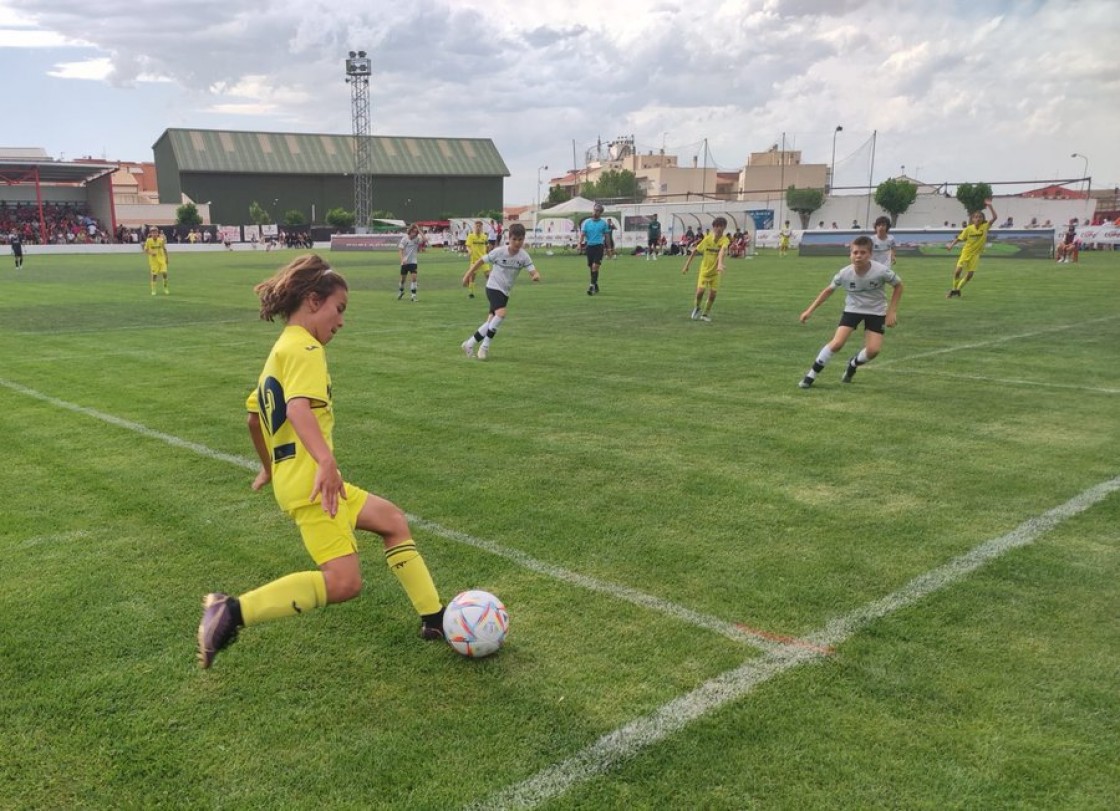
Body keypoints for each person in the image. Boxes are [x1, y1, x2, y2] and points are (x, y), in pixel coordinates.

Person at [197, 254, 447, 669]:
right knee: (345, 582)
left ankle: (434, 618)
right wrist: (327, 463)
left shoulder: (281, 349)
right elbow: (298, 409)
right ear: (313, 301)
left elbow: (252, 419)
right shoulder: (307, 347)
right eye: (339, 309)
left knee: (393, 521)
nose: (341, 321)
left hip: (300, 477)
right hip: (316, 482)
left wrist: (269, 467)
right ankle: (231, 611)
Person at [797, 235, 903, 389]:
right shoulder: (844, 273)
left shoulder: (881, 271)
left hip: (876, 311)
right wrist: (809, 310)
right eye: (855, 252)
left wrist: (892, 311)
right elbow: (828, 291)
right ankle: (810, 375)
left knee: (873, 351)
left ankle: (853, 364)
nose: (858, 256)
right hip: (853, 310)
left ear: (870, 255)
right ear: (850, 254)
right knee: (837, 343)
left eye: (862, 253)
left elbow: (899, 286)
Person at [460, 223, 540, 361]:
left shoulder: (524, 256)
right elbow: (480, 261)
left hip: (505, 291)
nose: (517, 242)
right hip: (492, 286)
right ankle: (484, 348)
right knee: (501, 314)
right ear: (509, 238)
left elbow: (533, 271)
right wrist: (467, 275)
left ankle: (469, 343)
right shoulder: (499, 252)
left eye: (520, 239)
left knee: (491, 321)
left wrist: (535, 275)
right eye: (514, 239)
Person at [681, 216, 730, 322]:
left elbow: (722, 251)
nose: (719, 229)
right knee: (700, 292)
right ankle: (697, 307)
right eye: (716, 226)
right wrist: (686, 265)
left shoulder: (725, 240)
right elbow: (694, 251)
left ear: (724, 228)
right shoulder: (707, 239)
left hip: (715, 273)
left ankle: (705, 314)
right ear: (713, 227)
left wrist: (720, 264)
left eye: (721, 226)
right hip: (704, 271)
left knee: (713, 294)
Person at [945, 199, 996, 298]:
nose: (977, 218)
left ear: (982, 219)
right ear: (972, 219)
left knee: (970, 275)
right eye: (975, 217)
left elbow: (995, 217)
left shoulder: (985, 227)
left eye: (980, 217)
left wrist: (990, 206)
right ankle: (954, 289)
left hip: (976, 255)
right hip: (966, 253)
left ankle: (957, 290)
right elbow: (959, 238)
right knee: (957, 271)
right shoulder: (968, 229)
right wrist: (951, 245)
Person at [579, 203, 610, 295]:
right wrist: (579, 244)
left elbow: (607, 236)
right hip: (590, 247)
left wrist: (609, 248)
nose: (595, 212)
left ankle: (591, 286)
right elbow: (583, 234)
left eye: (597, 211)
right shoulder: (587, 222)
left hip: (599, 246)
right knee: (591, 267)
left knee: (595, 266)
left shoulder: (603, 223)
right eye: (594, 210)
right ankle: (595, 284)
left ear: (600, 213)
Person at [397, 224, 426, 301]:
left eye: (416, 232)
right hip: (405, 263)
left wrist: (419, 229)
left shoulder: (417, 239)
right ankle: (400, 291)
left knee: (414, 278)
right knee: (403, 280)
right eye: (413, 232)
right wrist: (402, 260)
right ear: (410, 232)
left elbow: (425, 239)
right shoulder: (404, 239)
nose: (415, 234)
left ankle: (413, 296)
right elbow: (400, 250)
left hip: (413, 262)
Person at [465, 220, 491, 298]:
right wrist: (469, 251)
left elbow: (487, 245)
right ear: (474, 227)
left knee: (488, 276)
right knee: (472, 277)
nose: (478, 228)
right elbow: (468, 246)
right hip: (474, 260)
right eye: (477, 226)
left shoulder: (484, 236)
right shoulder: (471, 236)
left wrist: (488, 253)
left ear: (482, 227)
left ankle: (491, 292)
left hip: (484, 260)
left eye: (480, 226)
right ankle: (471, 293)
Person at [143, 226, 169, 295]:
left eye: (155, 232)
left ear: (157, 233)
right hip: (154, 261)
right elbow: (145, 249)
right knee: (154, 276)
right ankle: (153, 290)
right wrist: (151, 253)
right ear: (151, 233)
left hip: (162, 259)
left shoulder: (161, 240)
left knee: (165, 273)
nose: (154, 234)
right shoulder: (148, 240)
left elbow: (164, 249)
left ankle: (165, 288)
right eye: (153, 232)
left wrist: (167, 258)